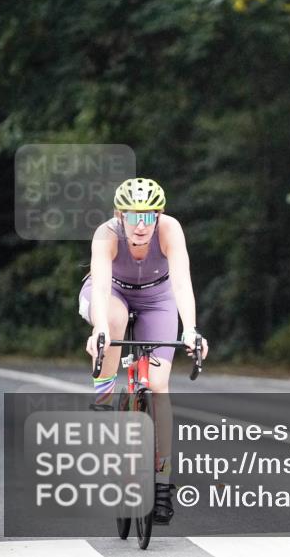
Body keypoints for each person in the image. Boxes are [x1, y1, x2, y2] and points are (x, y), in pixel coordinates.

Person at [80, 178, 209, 525]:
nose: (141, 226)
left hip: (158, 298)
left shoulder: (170, 230)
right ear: (119, 216)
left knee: (158, 386)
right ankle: (104, 398)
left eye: (149, 217)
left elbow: (182, 281)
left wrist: (191, 329)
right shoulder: (106, 234)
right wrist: (100, 329)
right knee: (115, 322)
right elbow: (103, 286)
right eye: (133, 216)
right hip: (112, 294)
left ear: (160, 215)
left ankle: (163, 483)